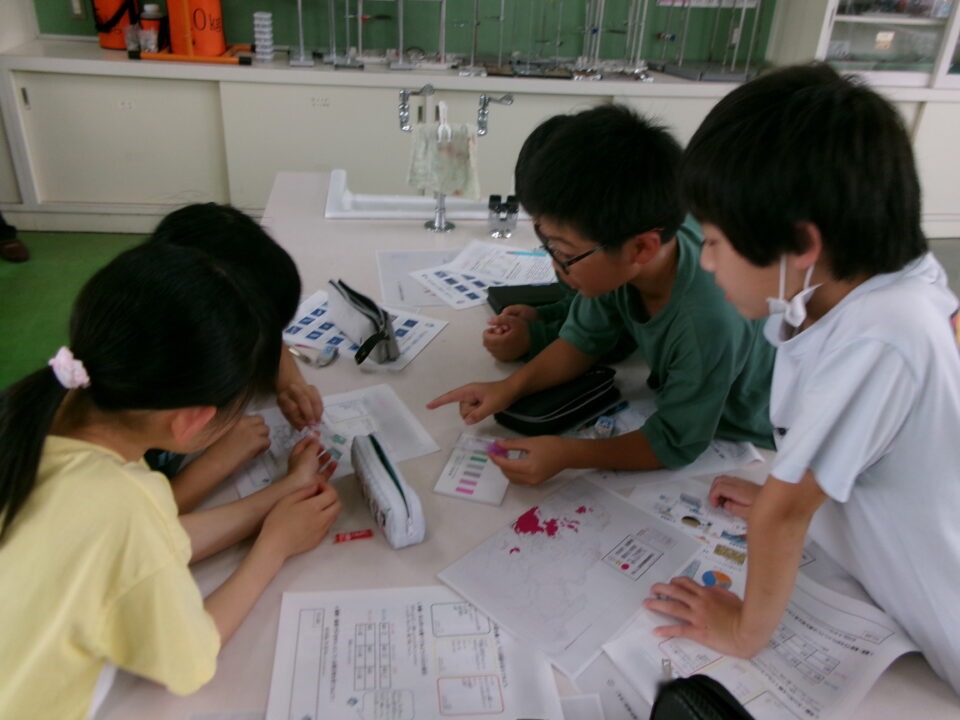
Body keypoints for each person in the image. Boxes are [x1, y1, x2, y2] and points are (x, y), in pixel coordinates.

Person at [643, 64, 960, 695]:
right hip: (872, 566)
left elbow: (785, 517)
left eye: (714, 241)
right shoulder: (862, 276)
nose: (707, 262)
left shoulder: (883, 332)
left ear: (800, 243)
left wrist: (742, 631)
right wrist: (787, 489)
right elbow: (873, 448)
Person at [0, 242, 341, 718]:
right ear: (192, 421)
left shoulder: (37, 415)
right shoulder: (120, 503)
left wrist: (282, 493)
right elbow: (187, 663)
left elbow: (152, 544)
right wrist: (273, 549)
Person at [429, 104, 776, 485]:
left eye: (564, 252)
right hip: (689, 392)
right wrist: (509, 388)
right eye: (548, 244)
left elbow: (675, 441)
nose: (556, 265)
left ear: (640, 248)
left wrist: (568, 454)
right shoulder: (629, 246)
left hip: (745, 431)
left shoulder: (706, 321)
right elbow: (582, 341)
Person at [145, 203, 325, 512]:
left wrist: (290, 382)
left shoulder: (169, 328)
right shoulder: (134, 402)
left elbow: (265, 334)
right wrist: (217, 463)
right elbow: (138, 519)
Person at [483, 115, 635, 365]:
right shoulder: (578, 249)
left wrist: (534, 338)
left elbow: (610, 336)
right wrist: (543, 316)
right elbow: (582, 305)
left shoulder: (613, 252)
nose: (554, 256)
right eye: (536, 221)